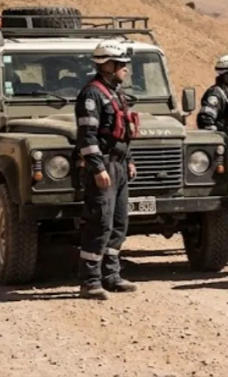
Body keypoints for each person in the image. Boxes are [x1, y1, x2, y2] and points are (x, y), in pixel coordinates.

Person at [74, 39, 140, 300]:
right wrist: (97, 168)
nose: (126, 69)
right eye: (121, 64)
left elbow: (123, 133)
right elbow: (87, 136)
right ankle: (90, 281)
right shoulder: (91, 94)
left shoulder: (117, 93)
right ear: (108, 65)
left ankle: (111, 275)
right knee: (99, 222)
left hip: (119, 165)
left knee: (119, 222)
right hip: (104, 167)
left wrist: (129, 159)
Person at [196, 54, 228, 259]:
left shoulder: (227, 95)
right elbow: (205, 119)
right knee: (224, 190)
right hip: (224, 151)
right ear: (226, 76)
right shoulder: (215, 94)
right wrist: (221, 141)